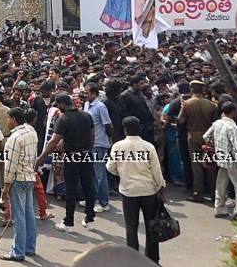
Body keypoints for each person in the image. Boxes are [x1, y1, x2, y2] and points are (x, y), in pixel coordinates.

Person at [106, 116, 165, 264]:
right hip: (148, 191)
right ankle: (153, 258)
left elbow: (110, 167)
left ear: (125, 130)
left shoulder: (118, 147)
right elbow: (156, 171)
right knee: (151, 225)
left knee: (131, 226)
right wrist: (160, 187)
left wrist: (123, 173)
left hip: (128, 191)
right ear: (139, 129)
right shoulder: (148, 147)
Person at [36, 93, 96, 233]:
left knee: (71, 189)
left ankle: (68, 222)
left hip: (71, 156)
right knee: (88, 187)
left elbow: (54, 141)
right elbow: (92, 135)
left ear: (62, 104)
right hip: (86, 155)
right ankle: (90, 219)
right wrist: (88, 149)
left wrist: (42, 157)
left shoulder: (64, 120)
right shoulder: (86, 115)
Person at [203, 101, 237, 220]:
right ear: (233, 112)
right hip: (233, 161)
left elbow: (206, 137)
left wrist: (215, 145)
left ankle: (219, 208)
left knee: (220, 184)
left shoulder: (217, 123)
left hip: (221, 159)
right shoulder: (232, 127)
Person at [1, 107, 38, 262]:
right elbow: (35, 155)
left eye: (8, 118)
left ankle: (18, 252)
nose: (7, 121)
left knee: (19, 216)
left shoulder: (14, 138)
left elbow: (10, 165)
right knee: (29, 213)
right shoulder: (32, 132)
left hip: (18, 179)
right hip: (29, 176)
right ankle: (29, 247)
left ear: (14, 119)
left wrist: (6, 186)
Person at [84, 83, 113, 212]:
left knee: (100, 174)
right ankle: (93, 198)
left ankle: (103, 202)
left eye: (87, 93)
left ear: (94, 94)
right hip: (89, 144)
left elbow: (108, 125)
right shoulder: (86, 105)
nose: (85, 95)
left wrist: (108, 139)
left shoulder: (100, 107)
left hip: (99, 144)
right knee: (91, 173)